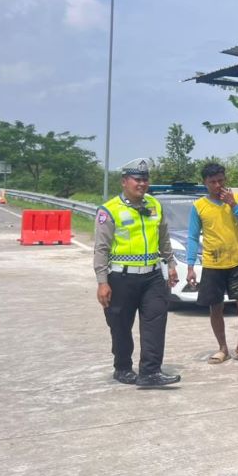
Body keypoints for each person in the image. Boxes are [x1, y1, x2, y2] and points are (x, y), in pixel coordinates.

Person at [93, 158, 181, 387]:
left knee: (155, 322)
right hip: (121, 278)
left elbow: (164, 238)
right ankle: (122, 368)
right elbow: (101, 249)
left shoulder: (154, 205)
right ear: (124, 181)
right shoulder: (109, 210)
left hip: (152, 277)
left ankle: (150, 372)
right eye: (137, 179)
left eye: (145, 179)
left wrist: (171, 264)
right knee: (120, 325)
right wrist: (102, 282)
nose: (142, 184)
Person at [185, 163, 238, 364]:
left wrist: (233, 205)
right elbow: (192, 237)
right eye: (213, 182)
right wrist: (190, 266)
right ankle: (222, 348)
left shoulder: (236, 199)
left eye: (221, 181)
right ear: (205, 183)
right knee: (215, 307)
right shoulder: (199, 206)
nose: (218, 185)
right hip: (212, 263)